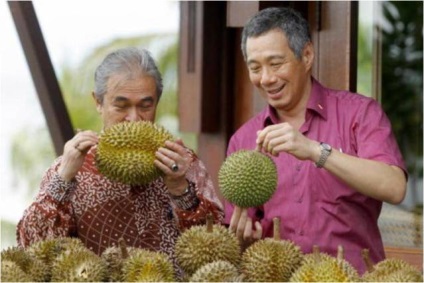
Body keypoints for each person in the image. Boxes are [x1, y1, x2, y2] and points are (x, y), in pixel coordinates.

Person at [224, 7, 407, 274]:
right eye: (255, 68)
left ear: (307, 55)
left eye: (276, 64)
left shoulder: (358, 114)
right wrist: (242, 240)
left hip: (354, 278)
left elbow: (394, 187)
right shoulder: (243, 140)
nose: (266, 78)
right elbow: (237, 242)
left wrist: (314, 150)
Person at [17, 47, 224, 276]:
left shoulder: (183, 162)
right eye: (121, 105)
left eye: (145, 105)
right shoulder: (70, 167)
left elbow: (219, 252)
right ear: (98, 102)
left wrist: (180, 190)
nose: (134, 118)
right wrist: (64, 177)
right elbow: (32, 251)